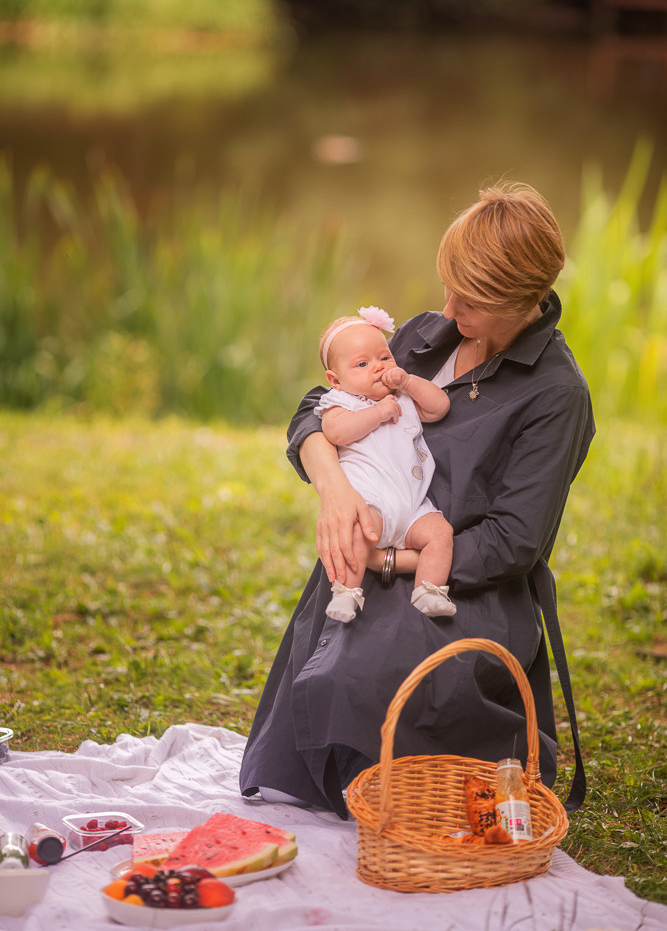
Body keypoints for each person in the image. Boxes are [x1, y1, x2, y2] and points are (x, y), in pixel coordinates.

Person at [239, 182, 595, 819]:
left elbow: (512, 542)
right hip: (372, 546)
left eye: (471, 298)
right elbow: (313, 414)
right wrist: (334, 491)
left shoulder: (555, 395)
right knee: (329, 679)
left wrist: (389, 561)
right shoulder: (428, 338)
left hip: (461, 585)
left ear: (522, 298)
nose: (448, 305)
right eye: (448, 284)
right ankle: (356, 785)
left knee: (356, 681)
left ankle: (404, 791)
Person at [316, 305, 456, 623]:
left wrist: (408, 383)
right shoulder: (340, 403)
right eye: (362, 364)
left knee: (440, 533)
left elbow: (439, 408)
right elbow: (335, 432)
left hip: (413, 505)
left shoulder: (402, 398)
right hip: (372, 502)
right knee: (357, 535)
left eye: (384, 357)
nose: (378, 368)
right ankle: (346, 592)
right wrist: (378, 413)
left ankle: (429, 590)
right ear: (335, 380)